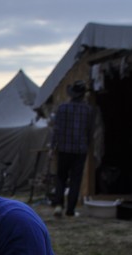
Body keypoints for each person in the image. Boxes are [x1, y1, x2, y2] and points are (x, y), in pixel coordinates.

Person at [51, 80, 94, 217]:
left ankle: (58, 205)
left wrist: (53, 146)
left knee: (61, 177)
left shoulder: (62, 108)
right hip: (80, 150)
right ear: (83, 95)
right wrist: (89, 146)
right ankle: (70, 209)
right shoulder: (88, 110)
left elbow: (56, 129)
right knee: (76, 180)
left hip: (63, 148)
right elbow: (90, 131)